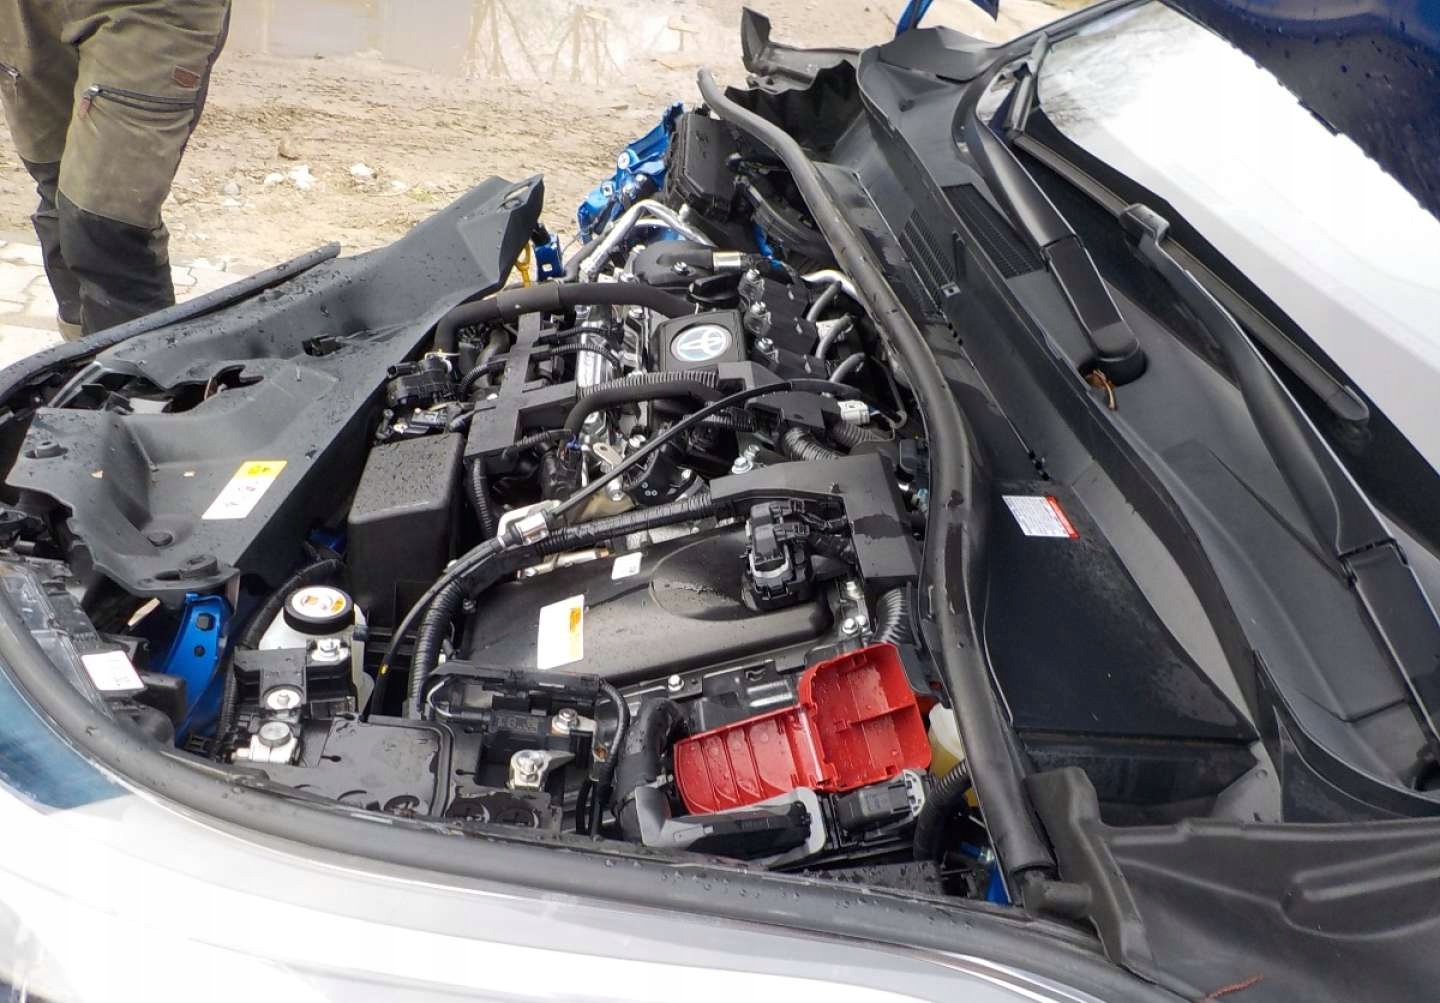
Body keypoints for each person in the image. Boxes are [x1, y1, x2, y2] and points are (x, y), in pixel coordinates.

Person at [0, 0, 230, 339]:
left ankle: (139, 371)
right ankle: (83, 361)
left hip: (145, 8)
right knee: (57, 196)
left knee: (104, 224)